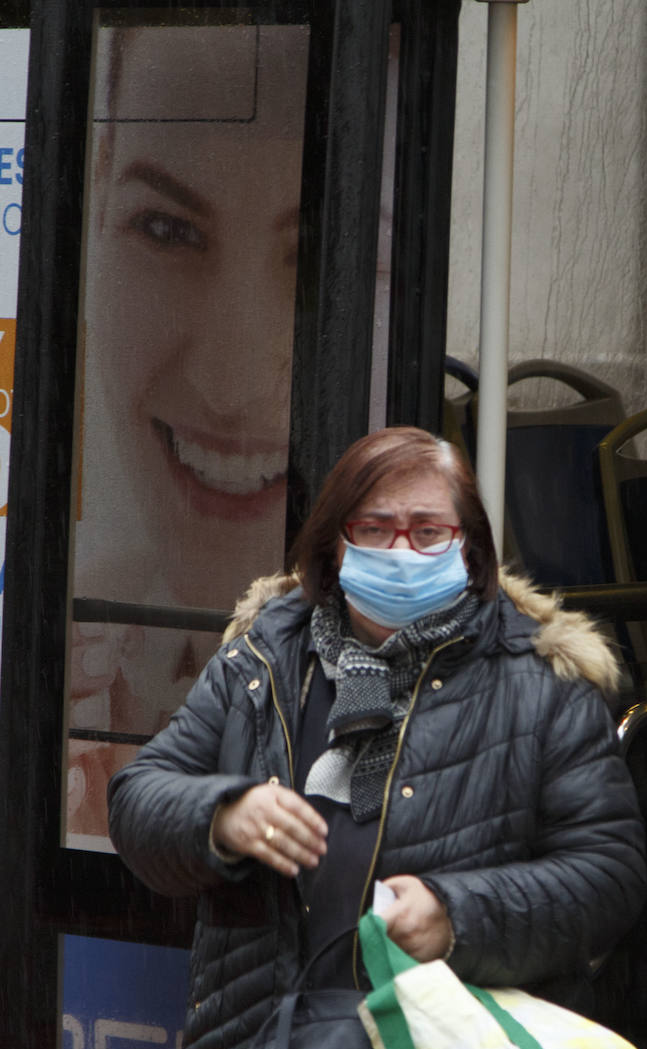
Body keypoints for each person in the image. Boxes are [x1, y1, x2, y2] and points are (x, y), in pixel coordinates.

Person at [108, 426, 647, 1049]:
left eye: (430, 532)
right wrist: (222, 813)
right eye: (378, 526)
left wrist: (458, 914)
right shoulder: (262, 659)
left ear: (470, 548)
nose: (403, 551)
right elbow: (138, 798)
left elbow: (607, 877)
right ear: (335, 541)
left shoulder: (538, 681)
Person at [67, 23, 308, 841]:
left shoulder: (453, 681)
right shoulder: (55, 643)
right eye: (167, 229)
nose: (229, 385)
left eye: (312, 253)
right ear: (94, 207)